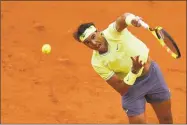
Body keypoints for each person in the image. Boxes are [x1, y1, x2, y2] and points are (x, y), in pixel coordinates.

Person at [73, 13, 173, 124]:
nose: (93, 43)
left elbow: (123, 19)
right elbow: (122, 89)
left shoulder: (112, 32)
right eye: (87, 42)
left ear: (98, 31)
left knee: (166, 120)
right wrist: (134, 71)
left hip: (152, 76)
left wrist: (132, 20)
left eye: (93, 37)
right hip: (131, 88)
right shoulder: (97, 62)